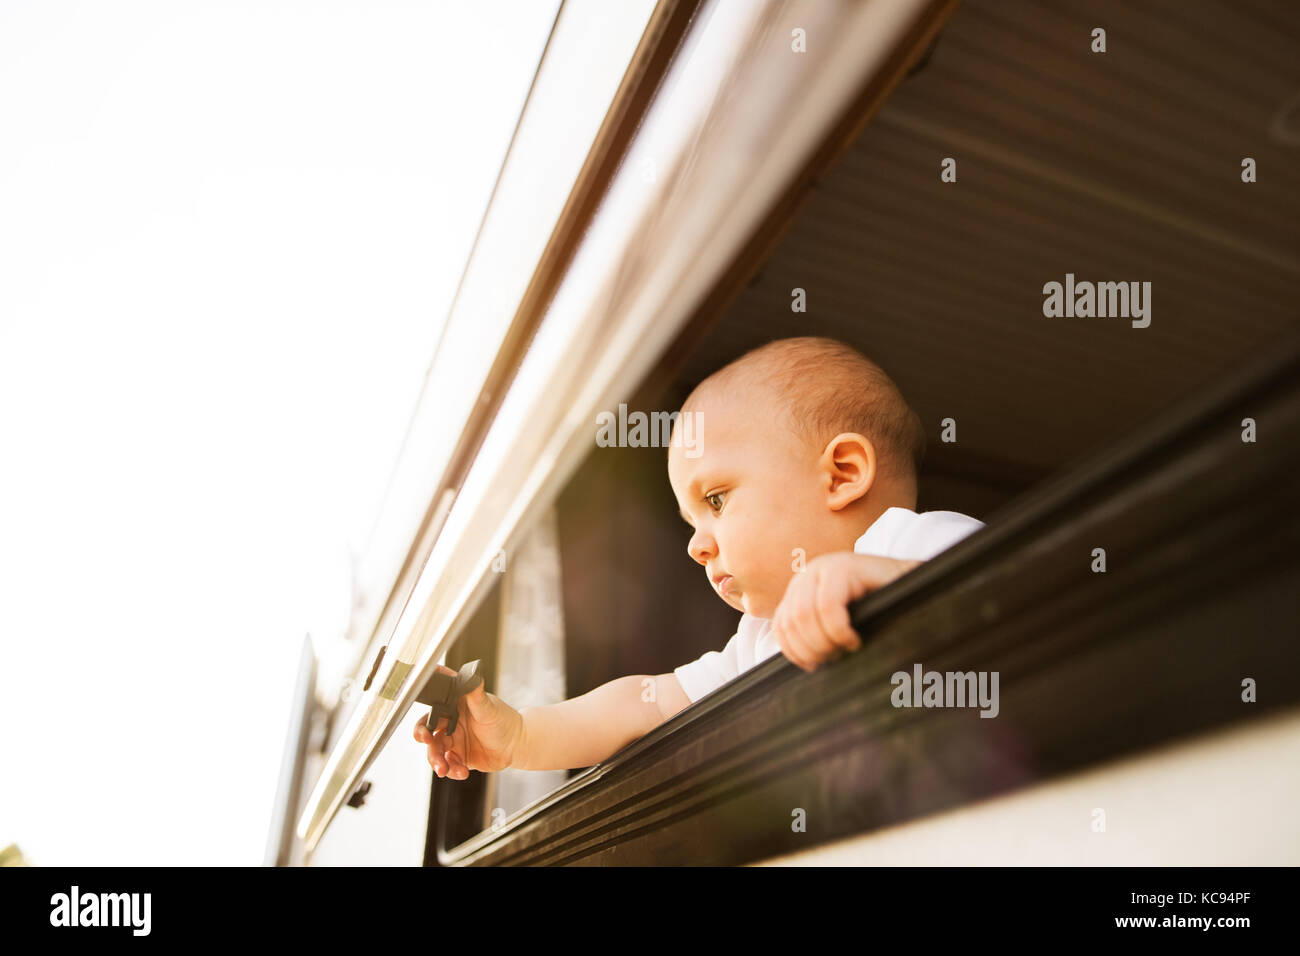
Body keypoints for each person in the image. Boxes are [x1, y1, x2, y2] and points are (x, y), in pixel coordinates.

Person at [413, 336, 984, 778]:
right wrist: (520, 738)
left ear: (842, 474)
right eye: (690, 522)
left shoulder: (912, 542)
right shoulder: (760, 639)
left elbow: (1003, 589)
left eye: (716, 499)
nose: (695, 543)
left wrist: (874, 579)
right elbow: (646, 703)